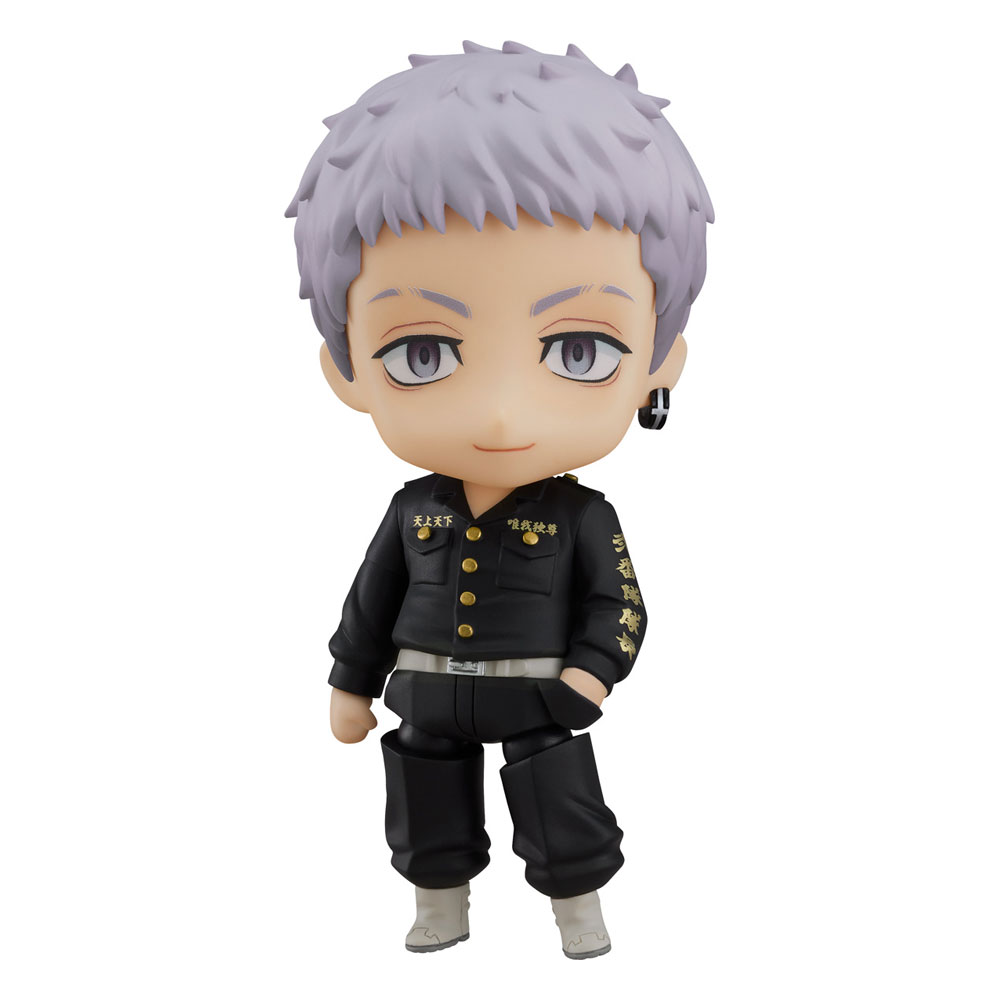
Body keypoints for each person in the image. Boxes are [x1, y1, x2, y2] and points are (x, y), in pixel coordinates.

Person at [286, 40, 713, 959]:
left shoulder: (582, 516)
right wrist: (350, 680)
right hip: (426, 690)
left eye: (578, 350)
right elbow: (371, 599)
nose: (501, 413)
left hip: (540, 697)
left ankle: (578, 909)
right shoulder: (414, 510)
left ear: (658, 363)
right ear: (348, 369)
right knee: (422, 796)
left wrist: (592, 673)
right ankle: (439, 903)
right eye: (423, 353)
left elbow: (620, 602)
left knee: (563, 803)